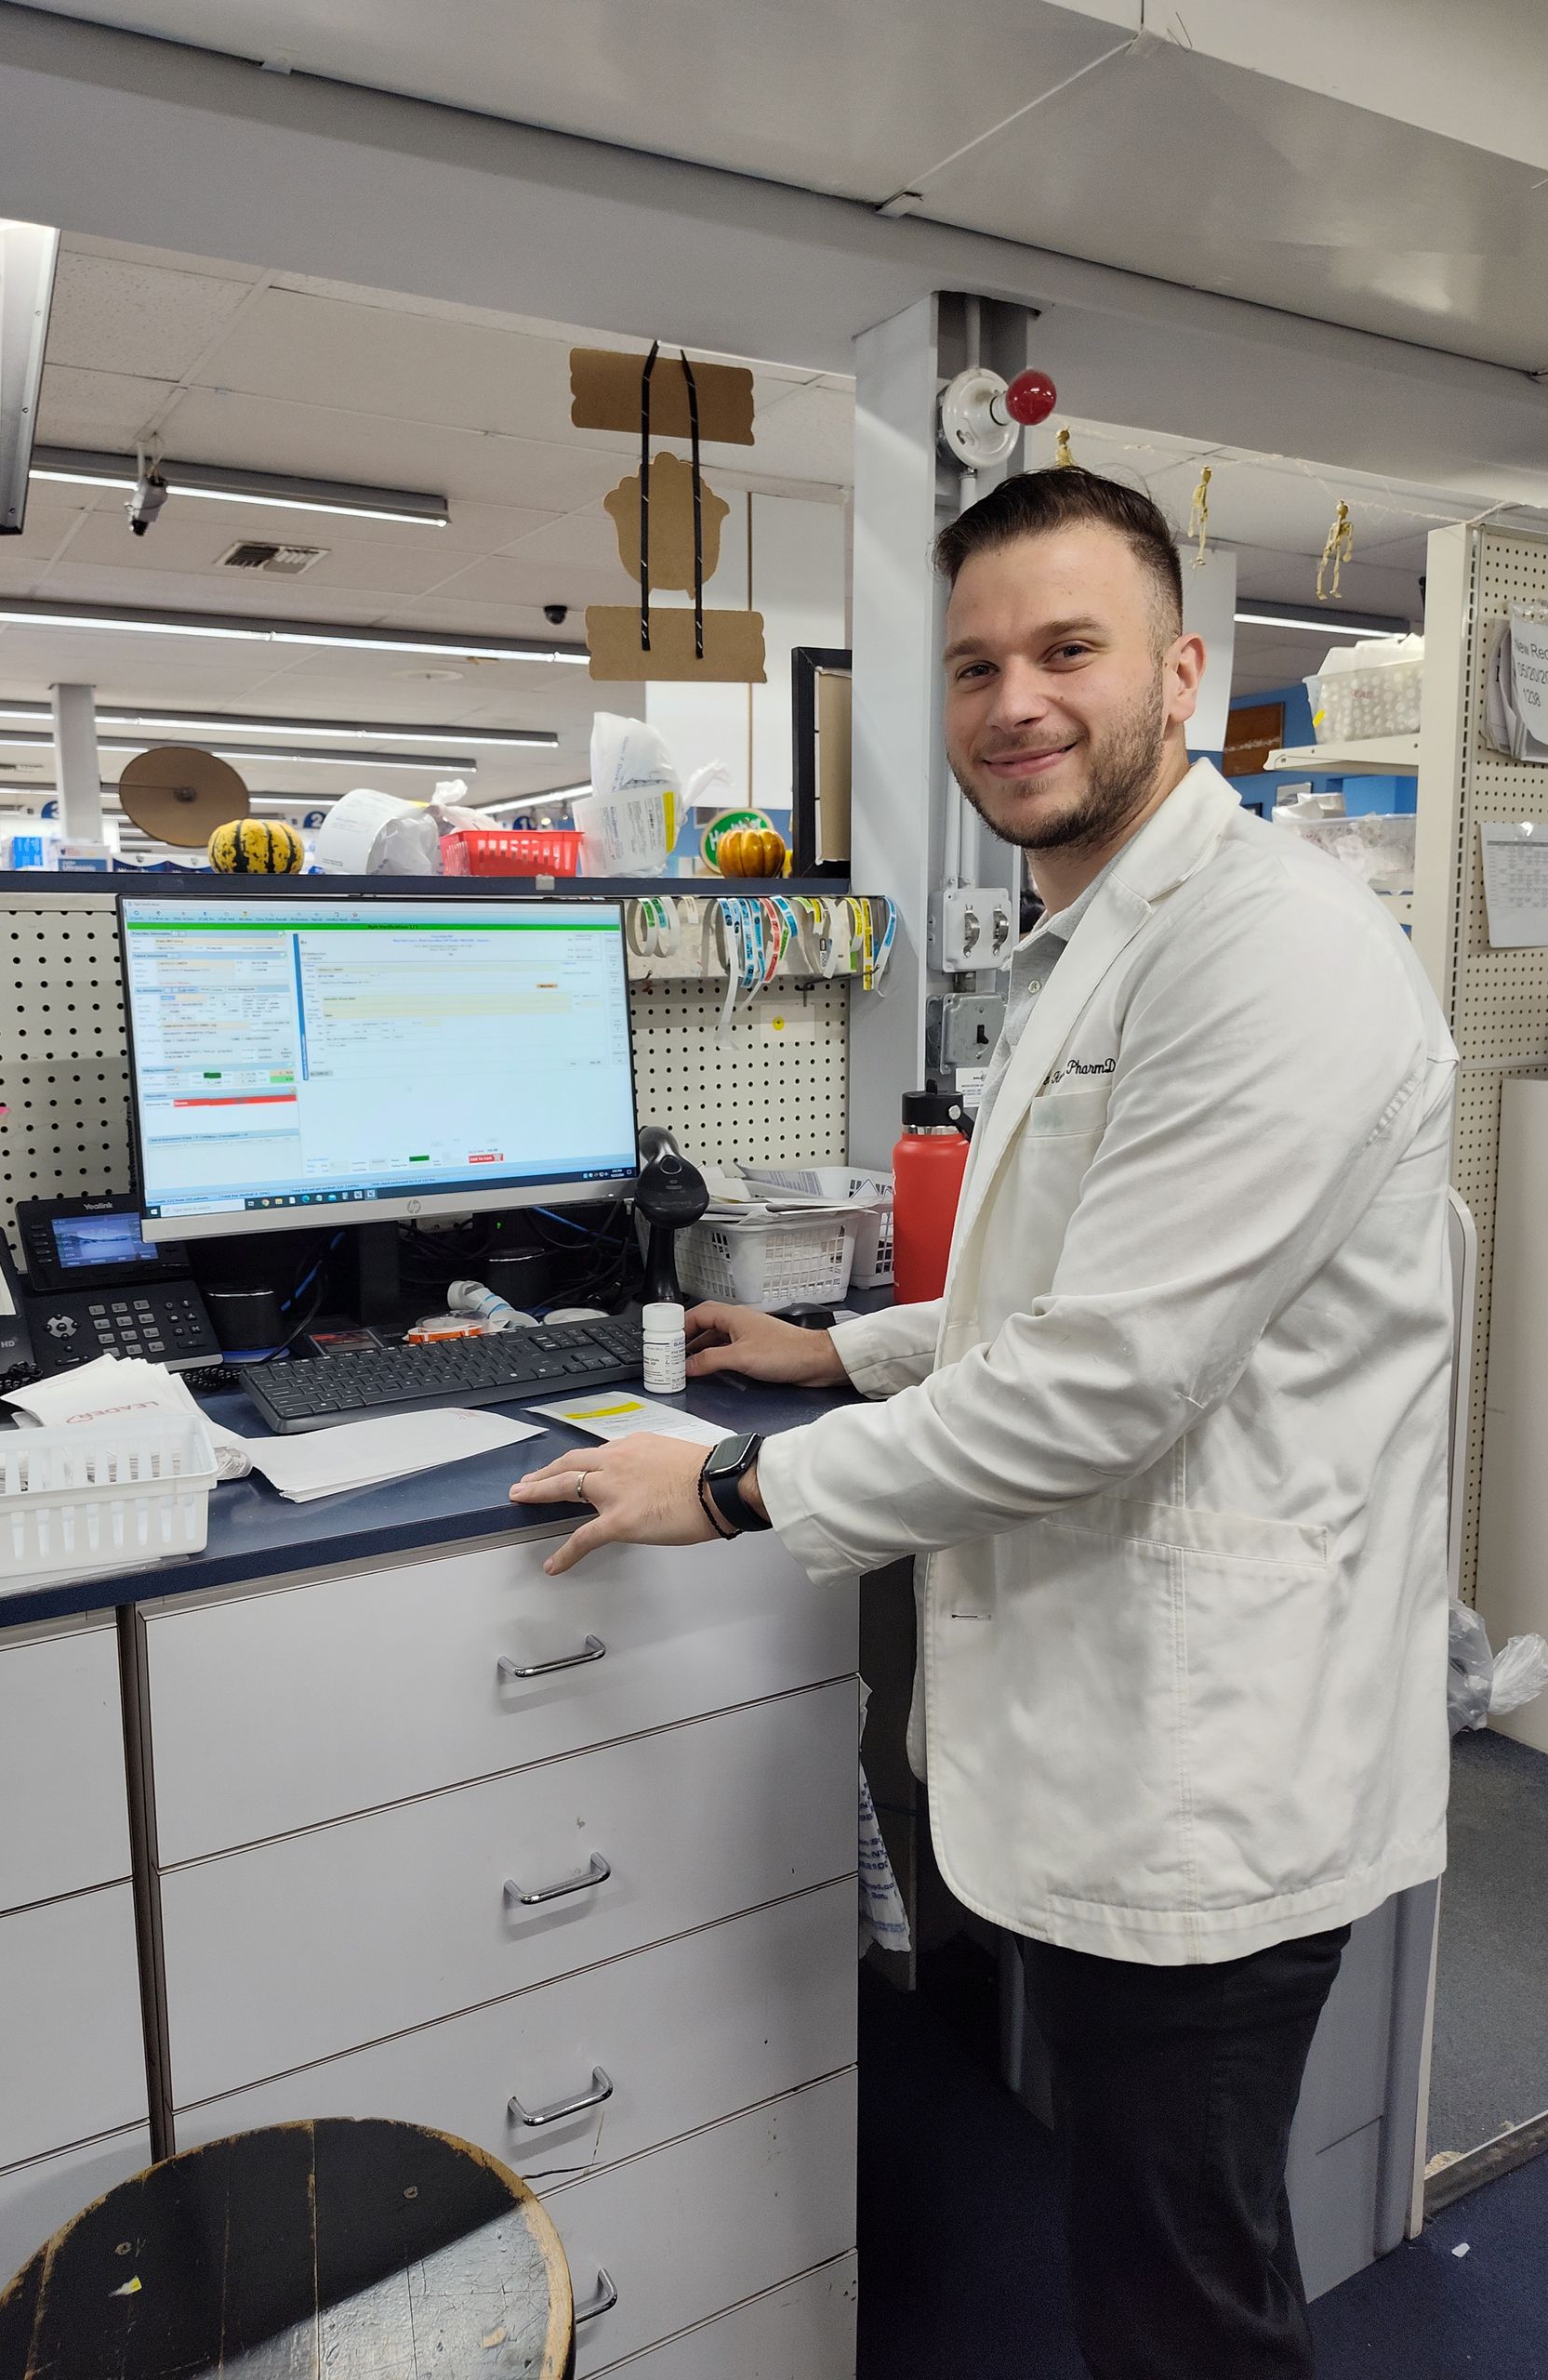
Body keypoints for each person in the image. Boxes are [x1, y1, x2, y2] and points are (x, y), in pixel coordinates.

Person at [510, 465, 1455, 2380]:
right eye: (973, 665)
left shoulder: (1267, 945)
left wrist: (729, 1478)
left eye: (1067, 649)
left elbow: (1105, 1381)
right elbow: (1081, 1282)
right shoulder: (1098, 930)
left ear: (1181, 670)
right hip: (1117, 1726)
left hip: (1212, 1764)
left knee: (1185, 2295)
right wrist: (839, 1353)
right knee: (1152, 2240)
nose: (1016, 699)